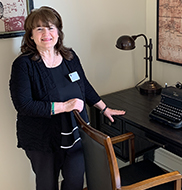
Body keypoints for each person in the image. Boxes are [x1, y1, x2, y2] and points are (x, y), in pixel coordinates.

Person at [9, 6, 125, 190]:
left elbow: (84, 86)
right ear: (31, 35)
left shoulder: (70, 57)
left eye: (51, 27)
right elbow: (23, 105)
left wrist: (104, 108)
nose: (46, 33)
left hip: (76, 134)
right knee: (47, 185)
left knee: (75, 183)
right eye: (39, 28)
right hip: (42, 139)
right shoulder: (23, 65)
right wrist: (64, 106)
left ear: (58, 32)